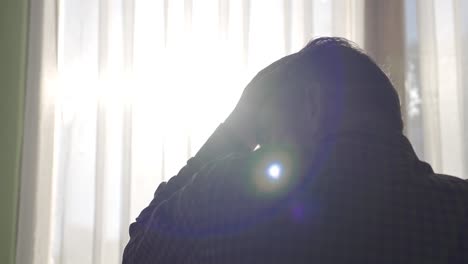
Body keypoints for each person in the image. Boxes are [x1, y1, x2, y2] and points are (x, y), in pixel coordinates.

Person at [123, 37, 468, 263]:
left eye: (268, 133)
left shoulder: (225, 194)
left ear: (313, 103)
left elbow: (139, 253)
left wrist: (235, 130)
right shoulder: (457, 208)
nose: (270, 150)